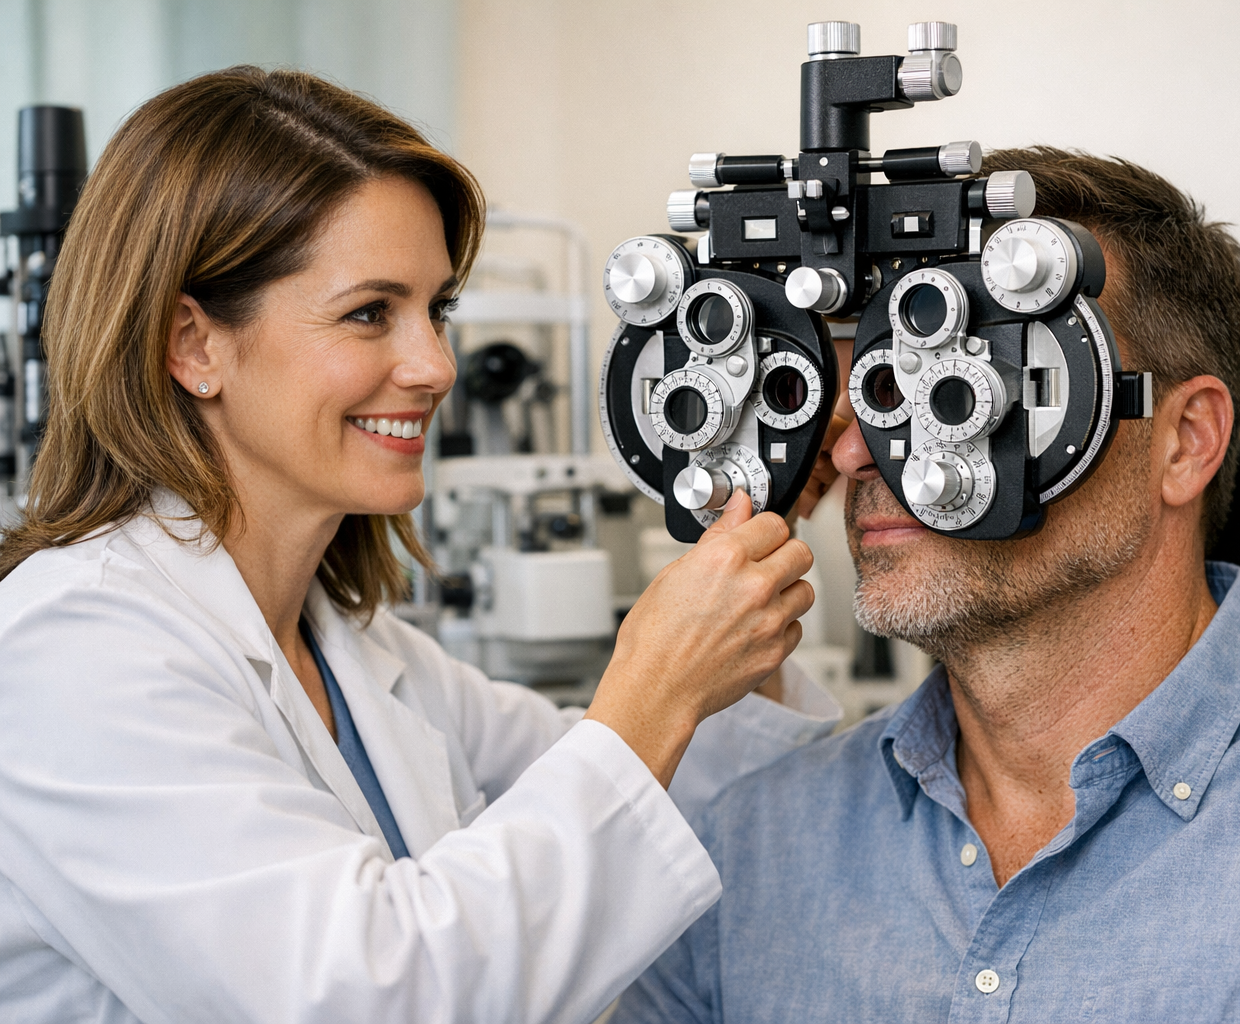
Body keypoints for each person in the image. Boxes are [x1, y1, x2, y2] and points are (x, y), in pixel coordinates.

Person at [0, 68, 844, 1024]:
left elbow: (693, 815)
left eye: (436, 309)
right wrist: (652, 686)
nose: (434, 365)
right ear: (193, 345)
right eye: (370, 313)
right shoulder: (71, 652)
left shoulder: (360, 653)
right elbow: (368, 995)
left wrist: (752, 526)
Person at [617, 147, 1240, 1023]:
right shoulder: (748, 842)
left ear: (1185, 442)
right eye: (866, 388)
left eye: (968, 390)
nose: (859, 451)